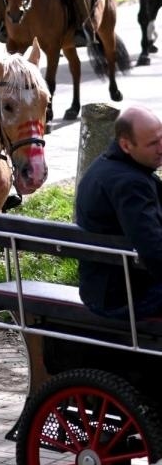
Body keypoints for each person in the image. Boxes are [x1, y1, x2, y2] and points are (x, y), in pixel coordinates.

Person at [76, 106, 162, 318]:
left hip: (102, 287)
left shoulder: (106, 166)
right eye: (153, 144)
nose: (161, 148)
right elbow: (155, 253)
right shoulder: (130, 184)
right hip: (124, 297)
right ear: (126, 145)